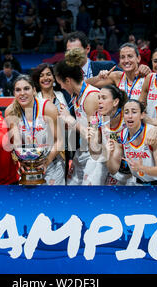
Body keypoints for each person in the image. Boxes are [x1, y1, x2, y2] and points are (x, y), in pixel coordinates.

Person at [54, 47, 102, 185]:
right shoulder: (76, 96)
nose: (61, 87)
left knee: (88, 196)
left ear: (68, 80)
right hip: (82, 150)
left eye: (61, 83)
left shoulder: (91, 96)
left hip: (97, 154)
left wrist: (70, 119)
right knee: (71, 188)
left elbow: (94, 137)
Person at [5, 75, 63, 185]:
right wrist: (21, 161)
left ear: (34, 90)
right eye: (18, 90)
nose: (22, 93)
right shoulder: (10, 111)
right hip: (27, 165)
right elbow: (16, 142)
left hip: (51, 163)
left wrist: (46, 162)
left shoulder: (48, 108)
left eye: (26, 88)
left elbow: (59, 141)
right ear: (14, 93)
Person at [107, 99, 157, 186]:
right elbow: (113, 170)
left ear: (142, 115)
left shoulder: (152, 133)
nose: (130, 116)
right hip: (138, 184)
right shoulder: (120, 136)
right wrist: (110, 153)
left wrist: (141, 168)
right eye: (126, 112)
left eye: (134, 112)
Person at [31, 63, 69, 185]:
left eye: (48, 74)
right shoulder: (34, 99)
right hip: (39, 151)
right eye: (41, 75)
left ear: (54, 77)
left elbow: (70, 124)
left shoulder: (62, 96)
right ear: (38, 80)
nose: (45, 78)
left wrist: (67, 118)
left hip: (60, 151)